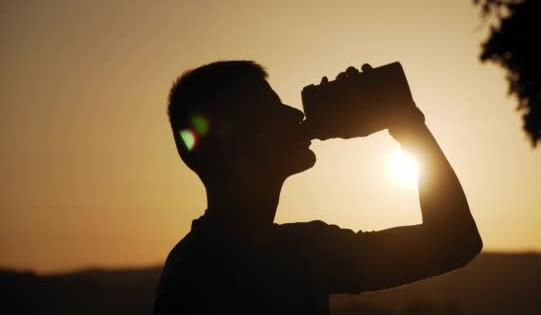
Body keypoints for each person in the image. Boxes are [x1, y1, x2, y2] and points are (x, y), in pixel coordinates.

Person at [153, 60, 482, 314]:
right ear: (239, 141)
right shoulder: (197, 275)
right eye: (273, 110)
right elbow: (453, 244)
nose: (295, 113)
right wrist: (407, 127)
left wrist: (407, 123)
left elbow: (454, 242)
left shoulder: (307, 249)